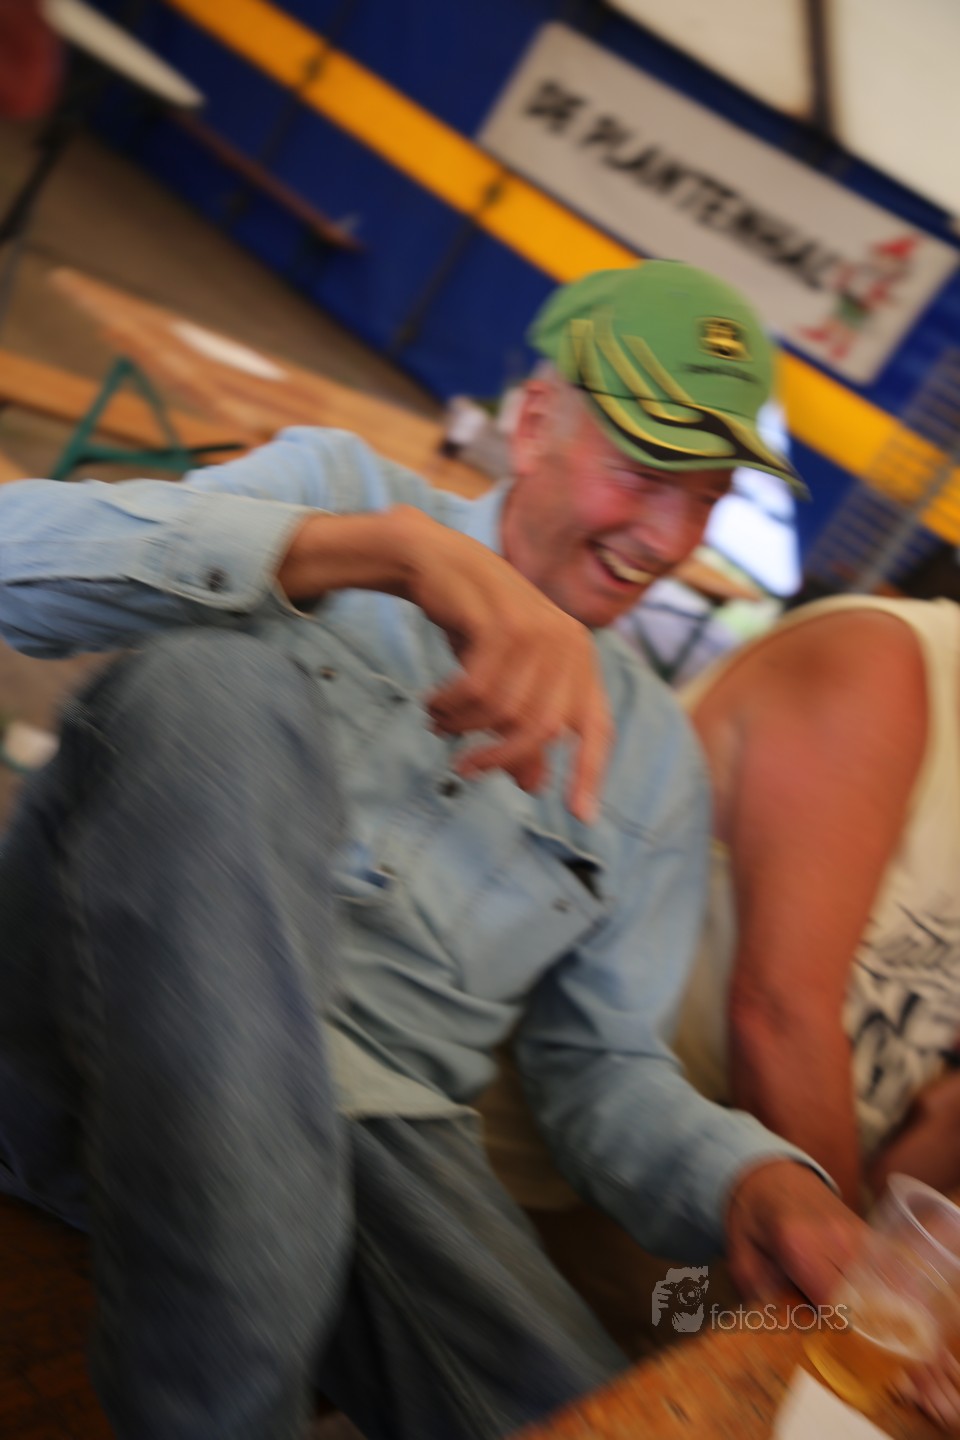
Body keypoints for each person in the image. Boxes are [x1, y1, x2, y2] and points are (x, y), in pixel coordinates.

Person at [0, 261, 858, 1440]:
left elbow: (602, 1067)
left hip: (376, 1147)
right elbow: (15, 561)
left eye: (705, 498)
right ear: (535, 423)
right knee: (217, 690)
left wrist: (749, 1176)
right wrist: (372, 556)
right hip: (77, 1038)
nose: (665, 537)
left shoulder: (655, 769)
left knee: (579, 1409)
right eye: (644, 471)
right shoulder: (339, 493)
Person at [673, 594, 960, 1212]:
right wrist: (850, 1257)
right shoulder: (882, 665)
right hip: (646, 1169)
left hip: (812, 1189)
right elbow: (776, 1015)